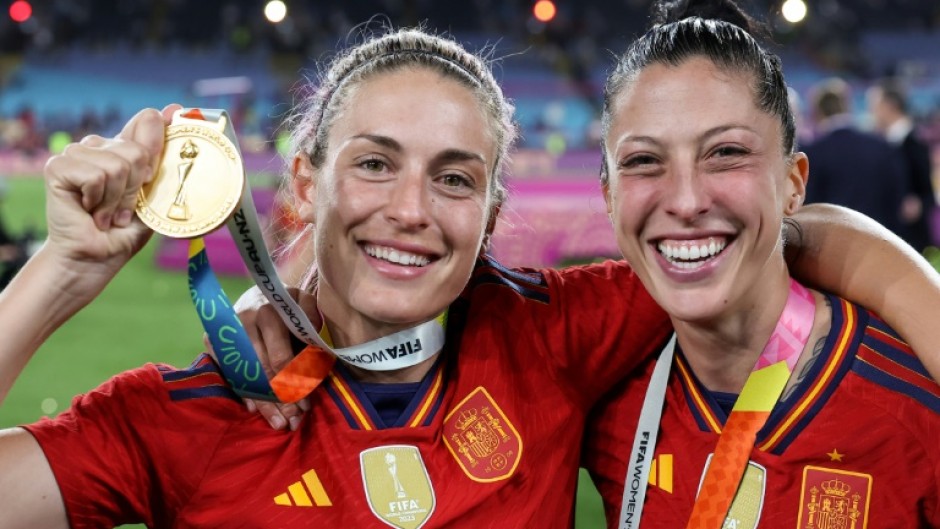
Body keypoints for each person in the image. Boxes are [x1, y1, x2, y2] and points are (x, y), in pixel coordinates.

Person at [0, 26, 938, 529]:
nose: (412, 208)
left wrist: (914, 296)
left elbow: (745, 240)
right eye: (373, 164)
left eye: (454, 177)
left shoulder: (553, 334)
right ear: (301, 183)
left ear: (490, 213)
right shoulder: (185, 417)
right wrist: (58, 271)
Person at [582, 1, 940, 527]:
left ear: (793, 184)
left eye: (726, 152)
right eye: (643, 161)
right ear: (609, 196)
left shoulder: (915, 411)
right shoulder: (596, 394)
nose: (685, 201)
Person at [803, 77, 909, 236]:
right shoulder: (881, 146)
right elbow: (898, 198)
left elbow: (809, 208)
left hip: (833, 246)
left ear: (817, 112)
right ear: (848, 106)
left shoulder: (813, 153)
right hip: (883, 240)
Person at [867, 78, 937, 252]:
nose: (872, 112)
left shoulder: (914, 143)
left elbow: (928, 193)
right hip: (891, 236)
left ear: (890, 106)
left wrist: (918, 204)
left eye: (875, 105)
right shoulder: (884, 143)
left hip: (912, 241)